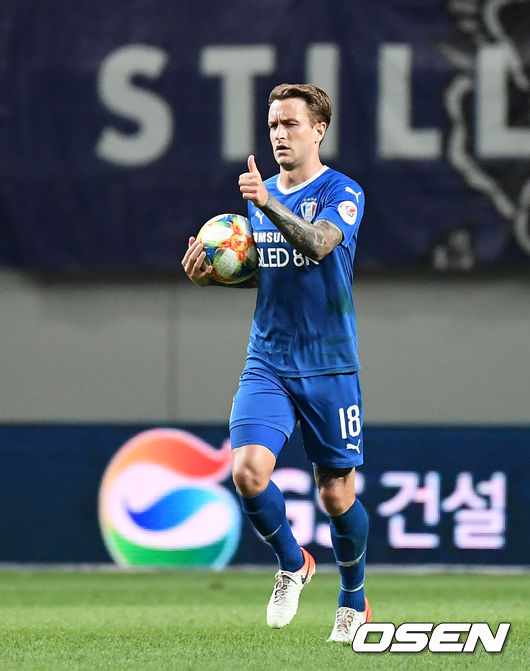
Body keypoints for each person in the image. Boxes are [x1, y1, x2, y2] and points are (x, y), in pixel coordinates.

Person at [181, 83, 371, 643]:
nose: (279, 135)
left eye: (290, 124)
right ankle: (293, 561)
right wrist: (214, 278)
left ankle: (353, 598)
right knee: (246, 471)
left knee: (336, 495)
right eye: (272, 125)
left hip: (329, 364)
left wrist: (268, 203)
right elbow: (272, 272)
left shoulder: (343, 191)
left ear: (318, 130)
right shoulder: (260, 196)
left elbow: (317, 245)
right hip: (269, 359)